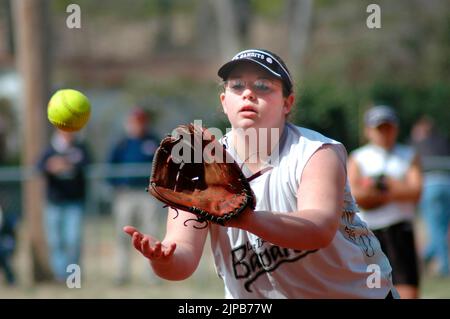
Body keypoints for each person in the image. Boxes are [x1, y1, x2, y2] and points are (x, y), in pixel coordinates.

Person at [123, 48, 397, 298]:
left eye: (263, 86)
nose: (248, 93)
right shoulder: (198, 166)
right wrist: (162, 259)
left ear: (287, 103)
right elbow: (182, 260)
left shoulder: (317, 152)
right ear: (224, 101)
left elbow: (319, 229)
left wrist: (244, 218)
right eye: (237, 86)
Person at [348, 105, 423, 299]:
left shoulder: (408, 155)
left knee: (408, 290)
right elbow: (355, 196)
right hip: (369, 233)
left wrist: (378, 190)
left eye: (388, 127)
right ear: (368, 131)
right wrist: (395, 188)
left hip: (400, 230)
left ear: (396, 129)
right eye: (379, 128)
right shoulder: (358, 157)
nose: (384, 133)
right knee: (374, 291)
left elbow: (415, 191)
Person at [107, 107, 161, 285]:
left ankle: (152, 275)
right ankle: (121, 274)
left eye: (140, 122)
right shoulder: (121, 143)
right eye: (134, 122)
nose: (137, 126)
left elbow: (164, 165)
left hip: (148, 195)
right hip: (126, 195)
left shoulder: (153, 141)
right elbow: (110, 168)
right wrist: (117, 186)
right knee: (122, 236)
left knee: (150, 234)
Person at [37, 129, 91, 282]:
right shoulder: (50, 148)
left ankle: (73, 277)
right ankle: (61, 276)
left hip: (75, 202)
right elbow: (38, 166)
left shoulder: (80, 147)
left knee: (73, 240)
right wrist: (51, 166)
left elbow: (88, 162)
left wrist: (67, 164)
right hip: (54, 203)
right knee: (56, 241)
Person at [410, 116, 450, 277]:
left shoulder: (416, 145)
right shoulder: (443, 141)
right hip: (447, 183)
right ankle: (425, 258)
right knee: (441, 228)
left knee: (435, 228)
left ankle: (444, 265)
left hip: (430, 185)